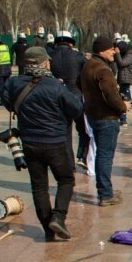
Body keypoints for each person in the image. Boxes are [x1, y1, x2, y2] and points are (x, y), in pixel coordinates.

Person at [1, 47, 82, 241]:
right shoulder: (54, 85)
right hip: (55, 141)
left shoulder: (13, 83)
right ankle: (58, 217)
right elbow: (76, 109)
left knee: (39, 187)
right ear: (45, 63)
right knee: (65, 180)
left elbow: (8, 103)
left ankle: (48, 229)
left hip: (29, 142)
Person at [79, 35, 128, 207]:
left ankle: (105, 189)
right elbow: (111, 95)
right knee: (105, 156)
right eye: (111, 49)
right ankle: (105, 194)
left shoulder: (88, 65)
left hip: (93, 114)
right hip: (106, 117)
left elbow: (80, 86)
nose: (114, 52)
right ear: (102, 50)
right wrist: (123, 106)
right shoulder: (102, 69)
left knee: (102, 153)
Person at [50, 35, 88, 166]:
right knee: (83, 129)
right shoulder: (77, 56)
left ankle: (68, 163)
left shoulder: (51, 56)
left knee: (65, 131)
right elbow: (87, 70)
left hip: (58, 96)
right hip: (76, 96)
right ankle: (82, 156)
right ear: (71, 43)